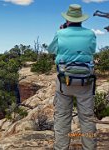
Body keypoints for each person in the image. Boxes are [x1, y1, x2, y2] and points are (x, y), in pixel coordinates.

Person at [47, 4, 97, 150]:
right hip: (85, 82)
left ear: (67, 20)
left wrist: (62, 32)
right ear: (81, 20)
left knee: (62, 117)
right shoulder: (90, 34)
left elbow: (51, 50)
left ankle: (61, 147)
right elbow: (92, 49)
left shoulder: (60, 33)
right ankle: (89, 147)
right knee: (87, 118)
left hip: (65, 82)